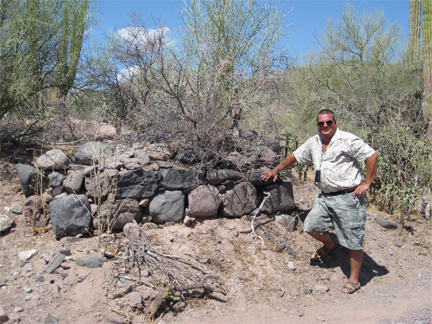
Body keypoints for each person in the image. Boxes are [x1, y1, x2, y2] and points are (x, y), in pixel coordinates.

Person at [262, 109, 378, 294]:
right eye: (321, 123)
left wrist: (367, 183)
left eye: (329, 122)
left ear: (335, 123)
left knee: (354, 239)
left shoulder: (348, 139)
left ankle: (354, 280)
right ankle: (331, 246)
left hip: (348, 196)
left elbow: (371, 155)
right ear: (317, 125)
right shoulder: (314, 142)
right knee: (310, 225)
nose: (325, 126)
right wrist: (277, 169)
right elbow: (295, 156)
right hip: (325, 197)